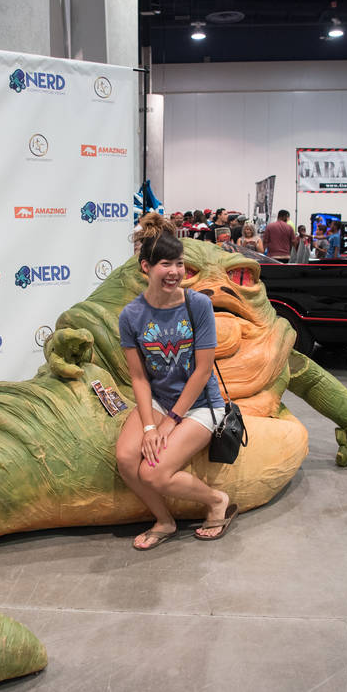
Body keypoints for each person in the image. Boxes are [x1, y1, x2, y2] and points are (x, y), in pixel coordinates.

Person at [117, 214, 236, 550]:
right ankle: (164, 520)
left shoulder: (198, 305)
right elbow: (139, 377)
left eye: (179, 263)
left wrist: (170, 422)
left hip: (201, 405)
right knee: (126, 458)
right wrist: (149, 428)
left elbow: (202, 371)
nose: (174, 272)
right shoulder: (131, 315)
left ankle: (216, 501)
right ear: (146, 267)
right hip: (158, 400)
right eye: (165, 264)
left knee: (153, 472)